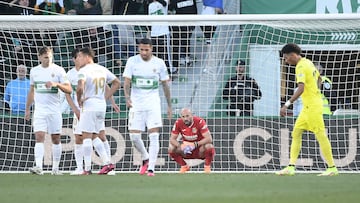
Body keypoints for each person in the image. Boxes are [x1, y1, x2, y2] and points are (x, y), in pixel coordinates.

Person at [276, 43, 338, 176]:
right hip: (309, 106)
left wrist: (286, 105)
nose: (286, 61)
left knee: (321, 135)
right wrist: (315, 92)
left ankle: (332, 168)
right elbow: (319, 79)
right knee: (296, 133)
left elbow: (301, 88)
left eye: (286, 58)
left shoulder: (301, 66)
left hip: (312, 107)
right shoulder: (308, 62)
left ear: (293, 55)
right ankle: (291, 167)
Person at [123, 38, 172, 177]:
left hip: (153, 104)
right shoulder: (132, 61)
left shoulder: (159, 63)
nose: (144, 52)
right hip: (136, 104)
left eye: (146, 50)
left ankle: (151, 168)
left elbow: (165, 85)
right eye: (141, 50)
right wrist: (127, 97)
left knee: (154, 135)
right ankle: (145, 157)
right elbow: (126, 82)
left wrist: (169, 106)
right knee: (134, 136)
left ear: (151, 49)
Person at [25, 47, 72, 175]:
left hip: (54, 110)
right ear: (39, 57)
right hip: (40, 110)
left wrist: (57, 84)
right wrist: (27, 109)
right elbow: (32, 91)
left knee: (55, 138)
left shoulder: (58, 70)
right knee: (39, 137)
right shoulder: (34, 71)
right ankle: (39, 167)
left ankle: (55, 168)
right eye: (46, 57)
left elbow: (69, 89)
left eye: (50, 57)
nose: (48, 59)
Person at [76, 47, 121, 175]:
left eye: (79, 56)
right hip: (101, 105)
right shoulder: (102, 69)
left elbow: (80, 88)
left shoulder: (83, 71)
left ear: (86, 57)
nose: (78, 59)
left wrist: (79, 99)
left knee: (86, 136)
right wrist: (105, 97)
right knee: (95, 135)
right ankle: (107, 163)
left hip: (89, 104)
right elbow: (117, 83)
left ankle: (87, 168)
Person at [168, 107, 215, 173]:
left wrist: (195, 144)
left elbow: (209, 138)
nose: (185, 119)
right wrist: (180, 146)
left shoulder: (199, 121)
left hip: (200, 151)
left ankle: (207, 167)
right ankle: (184, 166)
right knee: (171, 148)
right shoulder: (178, 122)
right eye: (183, 117)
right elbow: (172, 139)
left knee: (209, 146)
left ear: (192, 115)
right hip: (186, 151)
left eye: (187, 116)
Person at [169, 0, 197, 70]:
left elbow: (195, 9)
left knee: (186, 41)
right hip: (177, 25)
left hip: (188, 24)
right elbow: (170, 10)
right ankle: (175, 65)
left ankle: (186, 59)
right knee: (176, 43)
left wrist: (194, 23)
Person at [148, 0, 174, 74]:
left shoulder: (164, 2)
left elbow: (165, 3)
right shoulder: (150, 5)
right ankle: (157, 72)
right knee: (155, 55)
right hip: (154, 34)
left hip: (164, 32)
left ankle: (169, 72)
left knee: (166, 55)